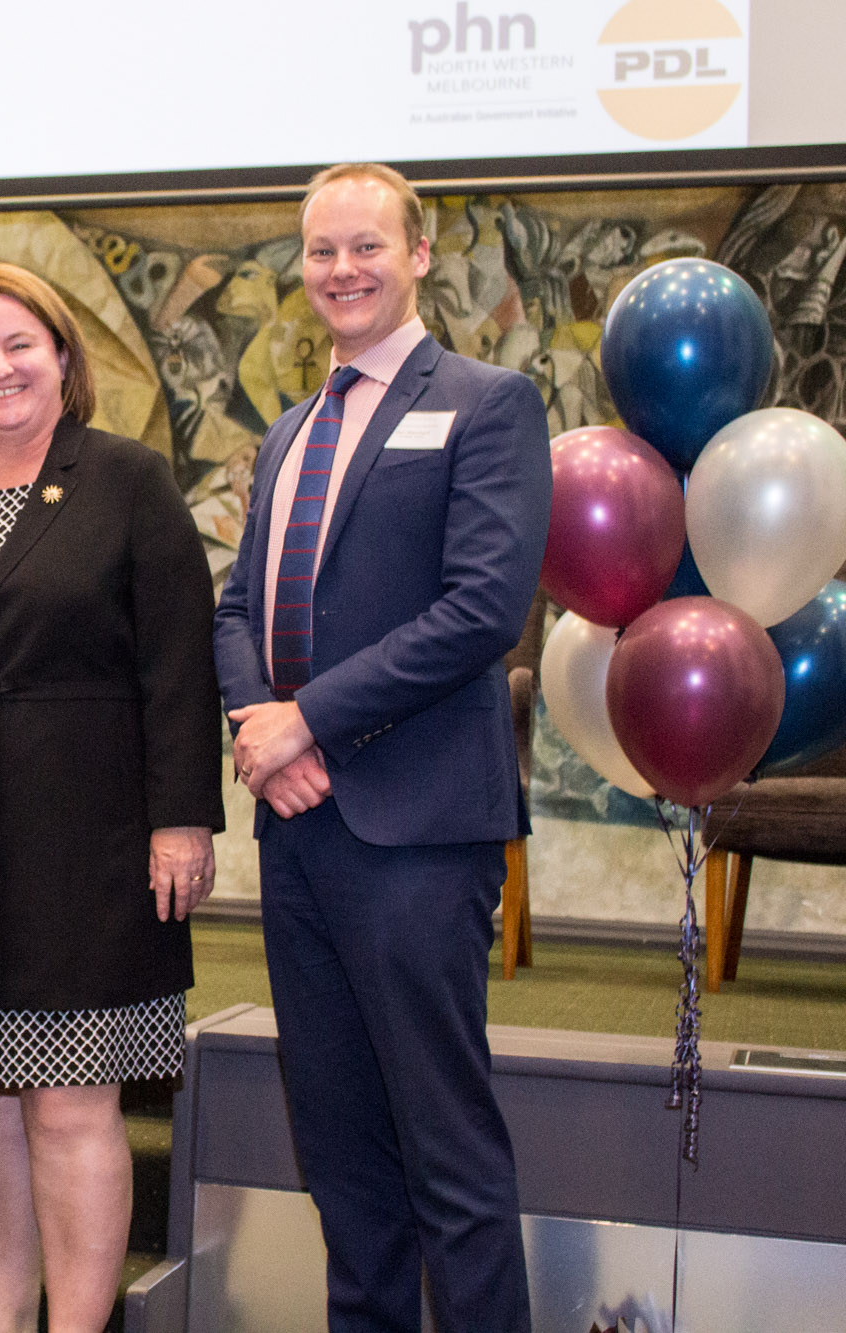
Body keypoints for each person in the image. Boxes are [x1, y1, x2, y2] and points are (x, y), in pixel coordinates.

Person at [212, 163, 551, 1332]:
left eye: (365, 245)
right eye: (320, 250)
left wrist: (308, 718)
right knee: (341, 1157)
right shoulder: (287, 432)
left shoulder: (488, 402)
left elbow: (481, 610)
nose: (341, 269)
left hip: (417, 833)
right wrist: (262, 729)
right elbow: (232, 608)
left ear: (416, 254)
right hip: (298, 828)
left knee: (446, 1156)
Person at [0, 263, 224, 1333]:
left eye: (19, 344)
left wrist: (182, 819)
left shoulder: (128, 480)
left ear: (63, 356)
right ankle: (0, 1321)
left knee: (72, 1101)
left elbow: (179, 661)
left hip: (91, 839)